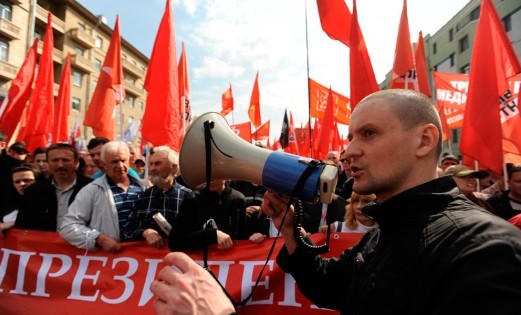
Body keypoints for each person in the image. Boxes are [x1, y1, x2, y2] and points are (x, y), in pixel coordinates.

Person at [149, 89, 521, 314]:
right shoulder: (387, 228)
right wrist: (290, 230)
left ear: (424, 141)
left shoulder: (485, 248)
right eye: (349, 136)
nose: (347, 152)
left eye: (369, 134)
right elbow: (333, 286)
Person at [59, 141, 144, 252]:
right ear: (104, 164)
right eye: (114, 162)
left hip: (144, 260)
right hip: (109, 260)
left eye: (123, 160)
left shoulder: (145, 187)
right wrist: (99, 239)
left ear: (129, 161)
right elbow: (68, 227)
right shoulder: (91, 190)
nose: (120, 166)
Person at [124, 146, 192, 248]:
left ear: (173, 168)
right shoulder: (142, 198)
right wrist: (146, 233)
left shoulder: (189, 198)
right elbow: (126, 232)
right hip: (147, 262)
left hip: (179, 260)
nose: (152, 168)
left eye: (158, 163)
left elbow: (199, 233)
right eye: (151, 164)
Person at [15, 143, 92, 231]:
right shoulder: (33, 191)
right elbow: (23, 226)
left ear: (76, 162)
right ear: (48, 163)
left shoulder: (92, 188)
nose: (60, 165)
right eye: (55, 160)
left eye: (65, 160)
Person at [168, 180, 247, 251]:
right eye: (207, 174)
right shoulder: (193, 199)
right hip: (199, 264)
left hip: (228, 263)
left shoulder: (238, 199)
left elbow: (242, 237)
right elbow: (175, 242)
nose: (211, 179)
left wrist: (254, 237)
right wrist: (212, 235)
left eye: (216, 174)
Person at [0, 164, 39, 236]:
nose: (22, 184)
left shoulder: (47, 201)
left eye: (27, 180)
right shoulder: (6, 203)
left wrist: (14, 223)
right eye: (17, 182)